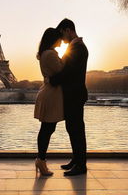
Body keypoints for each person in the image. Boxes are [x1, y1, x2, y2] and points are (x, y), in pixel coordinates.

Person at [50, 18, 88, 176]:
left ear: (68, 30)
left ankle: (80, 165)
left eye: (62, 34)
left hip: (74, 94)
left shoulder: (78, 48)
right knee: (73, 128)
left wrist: (52, 80)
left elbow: (68, 72)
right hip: (74, 93)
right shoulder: (76, 46)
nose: (62, 38)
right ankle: (77, 160)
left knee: (76, 129)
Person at [34, 27, 64, 176]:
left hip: (49, 93)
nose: (61, 41)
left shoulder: (44, 53)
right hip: (51, 95)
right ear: (54, 39)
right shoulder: (51, 54)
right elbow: (63, 73)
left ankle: (41, 159)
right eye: (59, 38)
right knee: (47, 129)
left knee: (47, 129)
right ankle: (41, 160)